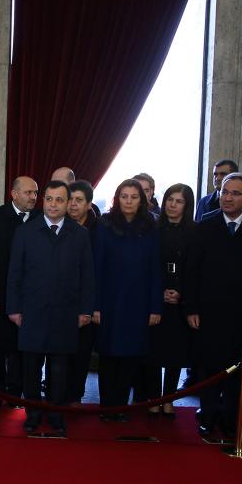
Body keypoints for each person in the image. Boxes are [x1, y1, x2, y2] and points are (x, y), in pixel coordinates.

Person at [184, 171, 242, 440]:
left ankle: (233, 419)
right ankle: (208, 417)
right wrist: (191, 308)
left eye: (235, 193)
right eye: (224, 191)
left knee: (240, 371)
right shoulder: (205, 225)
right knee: (210, 369)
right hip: (209, 313)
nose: (228, 197)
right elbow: (191, 271)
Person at [6, 180, 95, 437]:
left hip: (65, 314)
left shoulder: (79, 235)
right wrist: (13, 308)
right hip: (31, 312)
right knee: (30, 369)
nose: (53, 204)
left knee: (59, 369)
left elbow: (88, 277)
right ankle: (32, 414)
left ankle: (56, 415)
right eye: (49, 199)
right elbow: (15, 274)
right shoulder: (25, 232)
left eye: (59, 200)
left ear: (69, 204)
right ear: (43, 201)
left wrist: (86, 311)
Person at [92, 180, 163, 422]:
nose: (129, 201)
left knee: (129, 357)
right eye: (125, 196)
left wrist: (155, 306)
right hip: (110, 301)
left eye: (134, 197)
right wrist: (96, 305)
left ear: (141, 200)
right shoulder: (105, 224)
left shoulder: (151, 225)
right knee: (109, 356)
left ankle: (120, 406)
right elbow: (97, 268)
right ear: (117, 198)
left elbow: (156, 269)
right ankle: (106, 407)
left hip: (139, 302)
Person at [0, 176, 39, 407]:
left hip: (29, 297)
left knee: (22, 349)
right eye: (28, 193)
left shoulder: (40, 219)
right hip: (0, 294)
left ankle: (17, 393)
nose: (33, 197)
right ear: (14, 193)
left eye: (35, 193)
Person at [148, 184, 196, 417]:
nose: (172, 205)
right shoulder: (153, 229)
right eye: (170, 199)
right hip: (156, 300)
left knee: (175, 354)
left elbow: (197, 270)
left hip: (181, 303)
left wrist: (181, 293)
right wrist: (160, 292)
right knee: (154, 352)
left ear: (187, 206)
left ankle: (169, 399)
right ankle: (154, 398)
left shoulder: (195, 232)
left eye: (179, 201)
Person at [66, 180, 98, 405]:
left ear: (89, 204)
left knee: (81, 353)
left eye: (79, 200)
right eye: (70, 200)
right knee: (59, 354)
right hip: (61, 299)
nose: (73, 205)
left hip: (87, 301)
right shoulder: (58, 225)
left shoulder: (100, 230)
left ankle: (76, 396)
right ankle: (55, 395)